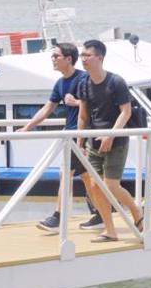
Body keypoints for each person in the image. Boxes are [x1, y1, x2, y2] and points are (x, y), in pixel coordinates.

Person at [17, 43, 101, 232]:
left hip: (83, 134)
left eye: (56, 56)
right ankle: (100, 213)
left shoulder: (84, 79)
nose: (53, 60)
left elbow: (98, 105)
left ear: (69, 59)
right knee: (87, 177)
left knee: (66, 173)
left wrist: (78, 103)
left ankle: (58, 217)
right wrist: (27, 127)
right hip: (70, 134)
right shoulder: (60, 83)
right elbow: (48, 108)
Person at [77, 39, 143, 242]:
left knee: (111, 185)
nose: (83, 59)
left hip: (117, 141)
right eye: (82, 56)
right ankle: (109, 230)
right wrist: (80, 141)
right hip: (93, 141)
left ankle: (136, 211)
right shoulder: (84, 83)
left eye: (87, 55)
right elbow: (83, 115)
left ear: (100, 57)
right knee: (96, 187)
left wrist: (110, 135)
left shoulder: (116, 82)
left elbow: (126, 111)